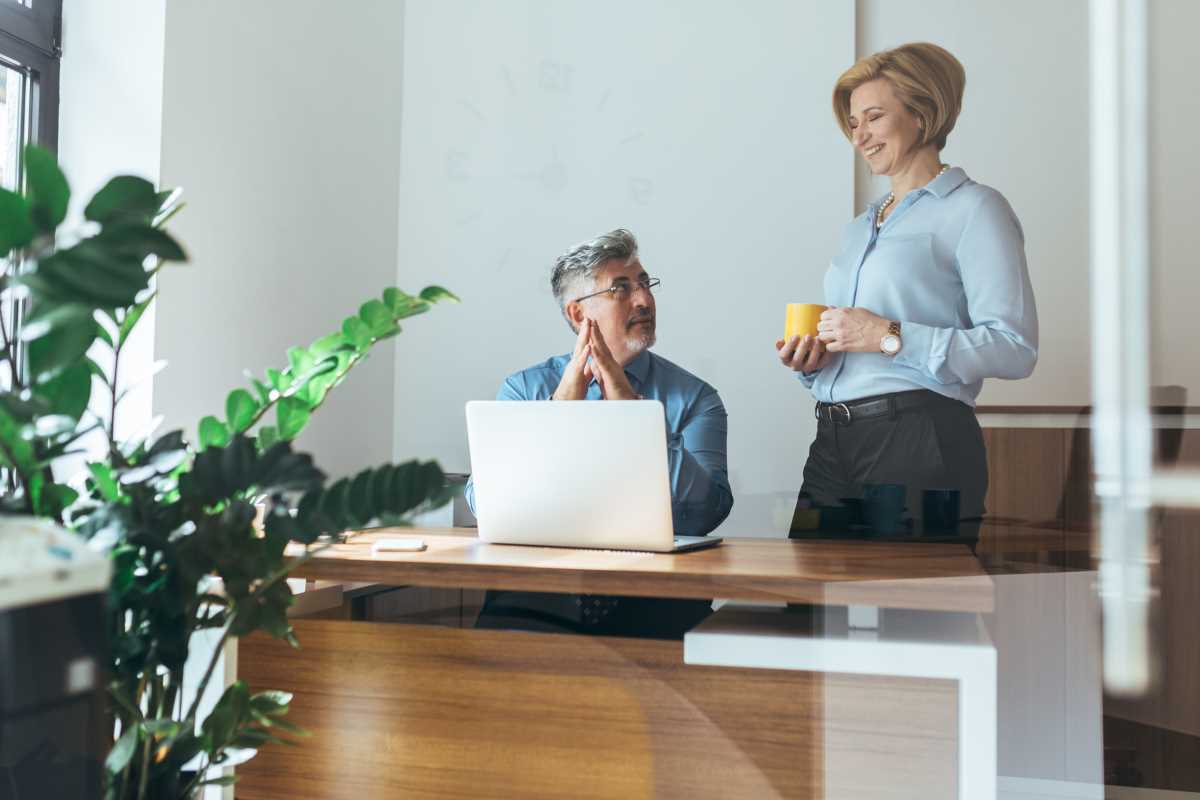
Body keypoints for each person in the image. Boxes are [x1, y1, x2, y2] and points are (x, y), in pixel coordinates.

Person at [777, 42, 1038, 542]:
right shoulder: (859, 227)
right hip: (832, 439)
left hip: (921, 439)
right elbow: (858, 347)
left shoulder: (976, 209)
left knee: (912, 594)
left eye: (874, 117)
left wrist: (887, 335)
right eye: (854, 123)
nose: (860, 136)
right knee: (807, 587)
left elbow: (1015, 349)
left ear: (922, 114)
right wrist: (815, 362)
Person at [466, 228, 733, 636]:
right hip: (536, 594)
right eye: (621, 288)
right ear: (578, 315)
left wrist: (631, 413)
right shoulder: (524, 390)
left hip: (657, 600)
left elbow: (709, 510)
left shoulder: (696, 398)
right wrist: (560, 409)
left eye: (644, 283)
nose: (643, 300)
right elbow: (483, 502)